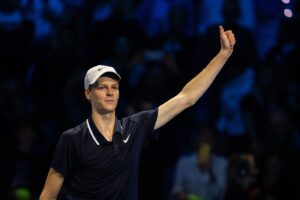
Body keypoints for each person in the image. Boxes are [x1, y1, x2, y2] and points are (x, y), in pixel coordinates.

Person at [39, 25, 236, 200]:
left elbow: (187, 98)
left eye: (114, 87)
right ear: (88, 94)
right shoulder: (72, 139)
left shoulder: (134, 128)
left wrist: (223, 56)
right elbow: (49, 193)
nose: (110, 92)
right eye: (102, 87)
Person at [172, 123, 227, 200]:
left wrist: (210, 171)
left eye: (210, 136)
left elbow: (220, 195)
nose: (206, 139)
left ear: (214, 140)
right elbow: (177, 190)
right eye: (203, 135)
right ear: (197, 138)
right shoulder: (184, 162)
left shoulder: (222, 163)